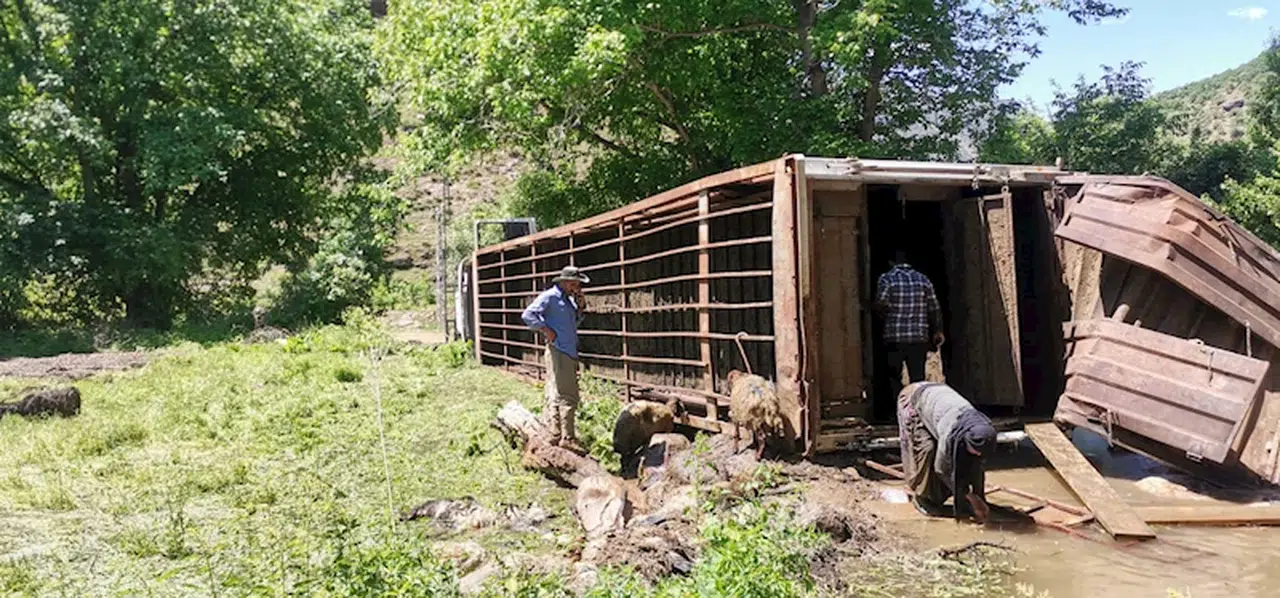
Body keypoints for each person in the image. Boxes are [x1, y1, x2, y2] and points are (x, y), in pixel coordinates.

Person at [897, 381, 997, 522]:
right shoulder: (951, 431)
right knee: (927, 450)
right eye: (975, 450)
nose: (979, 455)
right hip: (914, 398)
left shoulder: (981, 427)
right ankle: (923, 498)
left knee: (970, 461)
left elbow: (977, 467)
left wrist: (979, 497)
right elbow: (942, 469)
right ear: (964, 440)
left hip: (937, 399)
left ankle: (960, 499)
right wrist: (970, 497)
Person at [522, 266, 590, 453]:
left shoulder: (568, 301)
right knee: (568, 394)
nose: (576, 287)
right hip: (559, 350)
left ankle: (555, 433)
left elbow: (572, 323)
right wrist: (545, 329)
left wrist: (581, 307)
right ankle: (568, 437)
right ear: (565, 281)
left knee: (557, 391)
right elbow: (528, 315)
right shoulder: (550, 296)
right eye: (574, 284)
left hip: (566, 349)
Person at [875, 250, 944, 402]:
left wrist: (878, 326)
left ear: (891, 262)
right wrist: (937, 330)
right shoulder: (923, 280)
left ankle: (898, 409)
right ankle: (918, 410)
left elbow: (881, 305)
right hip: (918, 336)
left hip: (894, 336)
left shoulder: (887, 279)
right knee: (918, 377)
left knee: (894, 376)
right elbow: (934, 308)